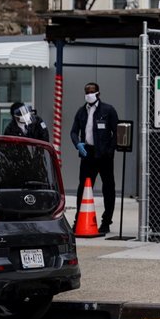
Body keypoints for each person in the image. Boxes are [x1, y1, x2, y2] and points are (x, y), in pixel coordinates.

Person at [70, 82, 119, 234]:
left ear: (98, 93)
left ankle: (106, 222)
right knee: (83, 188)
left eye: (91, 91)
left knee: (108, 188)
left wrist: (110, 151)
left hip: (104, 155)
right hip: (87, 154)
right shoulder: (81, 112)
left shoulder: (108, 110)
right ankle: (79, 219)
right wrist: (78, 144)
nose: (89, 94)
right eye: (86, 91)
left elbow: (117, 132)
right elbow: (73, 131)